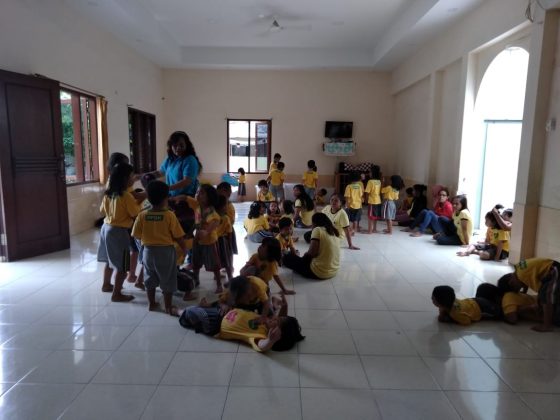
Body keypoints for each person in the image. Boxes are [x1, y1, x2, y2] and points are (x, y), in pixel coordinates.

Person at [131, 181, 189, 314]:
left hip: (148, 252)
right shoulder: (169, 215)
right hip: (165, 252)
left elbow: (136, 235)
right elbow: (178, 236)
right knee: (168, 278)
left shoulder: (142, 215)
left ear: (148, 197)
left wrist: (144, 246)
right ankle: (168, 306)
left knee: (149, 277)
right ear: (166, 198)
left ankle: (151, 304)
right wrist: (185, 249)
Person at [97, 163, 142, 302]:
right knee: (123, 264)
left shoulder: (108, 194)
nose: (133, 179)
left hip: (106, 228)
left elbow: (102, 210)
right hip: (119, 231)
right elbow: (135, 214)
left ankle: (106, 285)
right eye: (132, 176)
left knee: (109, 260)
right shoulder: (126, 196)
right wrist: (142, 200)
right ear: (125, 179)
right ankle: (117, 294)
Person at [497, 258, 560, 332]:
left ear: (511, 282)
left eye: (517, 287)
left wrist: (538, 303)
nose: (520, 288)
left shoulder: (522, 275)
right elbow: (525, 283)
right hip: (552, 267)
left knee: (545, 297)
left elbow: (541, 290)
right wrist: (525, 292)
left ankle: (547, 325)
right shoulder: (519, 271)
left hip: (553, 270)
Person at [283, 213, 340, 279]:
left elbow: (312, 253)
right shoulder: (333, 231)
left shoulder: (317, 229)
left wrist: (304, 256)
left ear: (315, 223)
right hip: (334, 271)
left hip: (319, 272)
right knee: (297, 256)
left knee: (286, 258)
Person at [192, 184, 223, 293]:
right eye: (197, 192)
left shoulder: (210, 210)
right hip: (197, 240)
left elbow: (216, 221)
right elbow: (196, 222)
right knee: (195, 262)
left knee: (214, 263)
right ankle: (196, 279)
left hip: (209, 241)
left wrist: (206, 231)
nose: (198, 195)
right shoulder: (198, 207)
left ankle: (219, 284)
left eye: (202, 193)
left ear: (209, 197)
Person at [152, 131, 202, 197]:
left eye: (181, 145)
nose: (178, 148)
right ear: (171, 146)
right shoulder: (170, 159)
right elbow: (160, 172)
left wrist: (167, 188)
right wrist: (143, 176)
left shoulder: (190, 159)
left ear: (186, 145)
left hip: (185, 198)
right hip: (171, 196)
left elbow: (186, 181)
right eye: (175, 145)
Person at [431, 285, 501, 325]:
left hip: (482, 308)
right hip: (475, 301)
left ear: (441, 303)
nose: (431, 299)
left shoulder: (455, 314)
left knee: (498, 312)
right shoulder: (452, 301)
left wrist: (450, 320)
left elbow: (467, 321)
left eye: (433, 299)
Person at [215, 195, 234, 284]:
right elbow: (229, 232)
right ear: (223, 207)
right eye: (226, 205)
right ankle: (230, 277)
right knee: (227, 261)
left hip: (213, 241)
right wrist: (230, 244)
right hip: (223, 241)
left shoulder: (212, 216)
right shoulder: (226, 218)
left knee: (216, 260)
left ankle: (217, 278)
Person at [216, 182, 238, 256]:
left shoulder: (229, 207)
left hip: (225, 234)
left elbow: (230, 223)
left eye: (220, 192)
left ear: (228, 193)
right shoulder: (216, 204)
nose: (218, 195)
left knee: (226, 253)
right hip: (217, 234)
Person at [364, 165, 382, 234]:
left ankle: (369, 231)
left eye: (370, 172)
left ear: (373, 173)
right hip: (378, 200)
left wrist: (366, 200)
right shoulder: (379, 181)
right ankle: (374, 229)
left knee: (370, 216)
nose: (369, 173)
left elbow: (367, 192)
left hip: (372, 201)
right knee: (375, 216)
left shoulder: (370, 181)